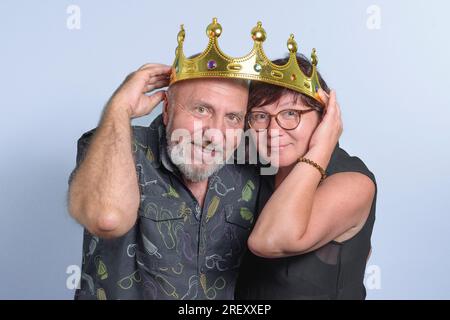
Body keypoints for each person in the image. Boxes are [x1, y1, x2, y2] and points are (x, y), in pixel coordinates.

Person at [68, 63, 261, 300]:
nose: (215, 134)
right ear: (167, 108)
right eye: (202, 109)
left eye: (232, 117)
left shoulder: (249, 168)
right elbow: (107, 218)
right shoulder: (114, 145)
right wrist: (119, 108)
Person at [235, 54, 377, 300]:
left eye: (291, 114)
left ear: (324, 118)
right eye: (260, 116)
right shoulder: (255, 170)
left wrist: (322, 147)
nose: (273, 131)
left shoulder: (354, 183)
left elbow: (268, 241)